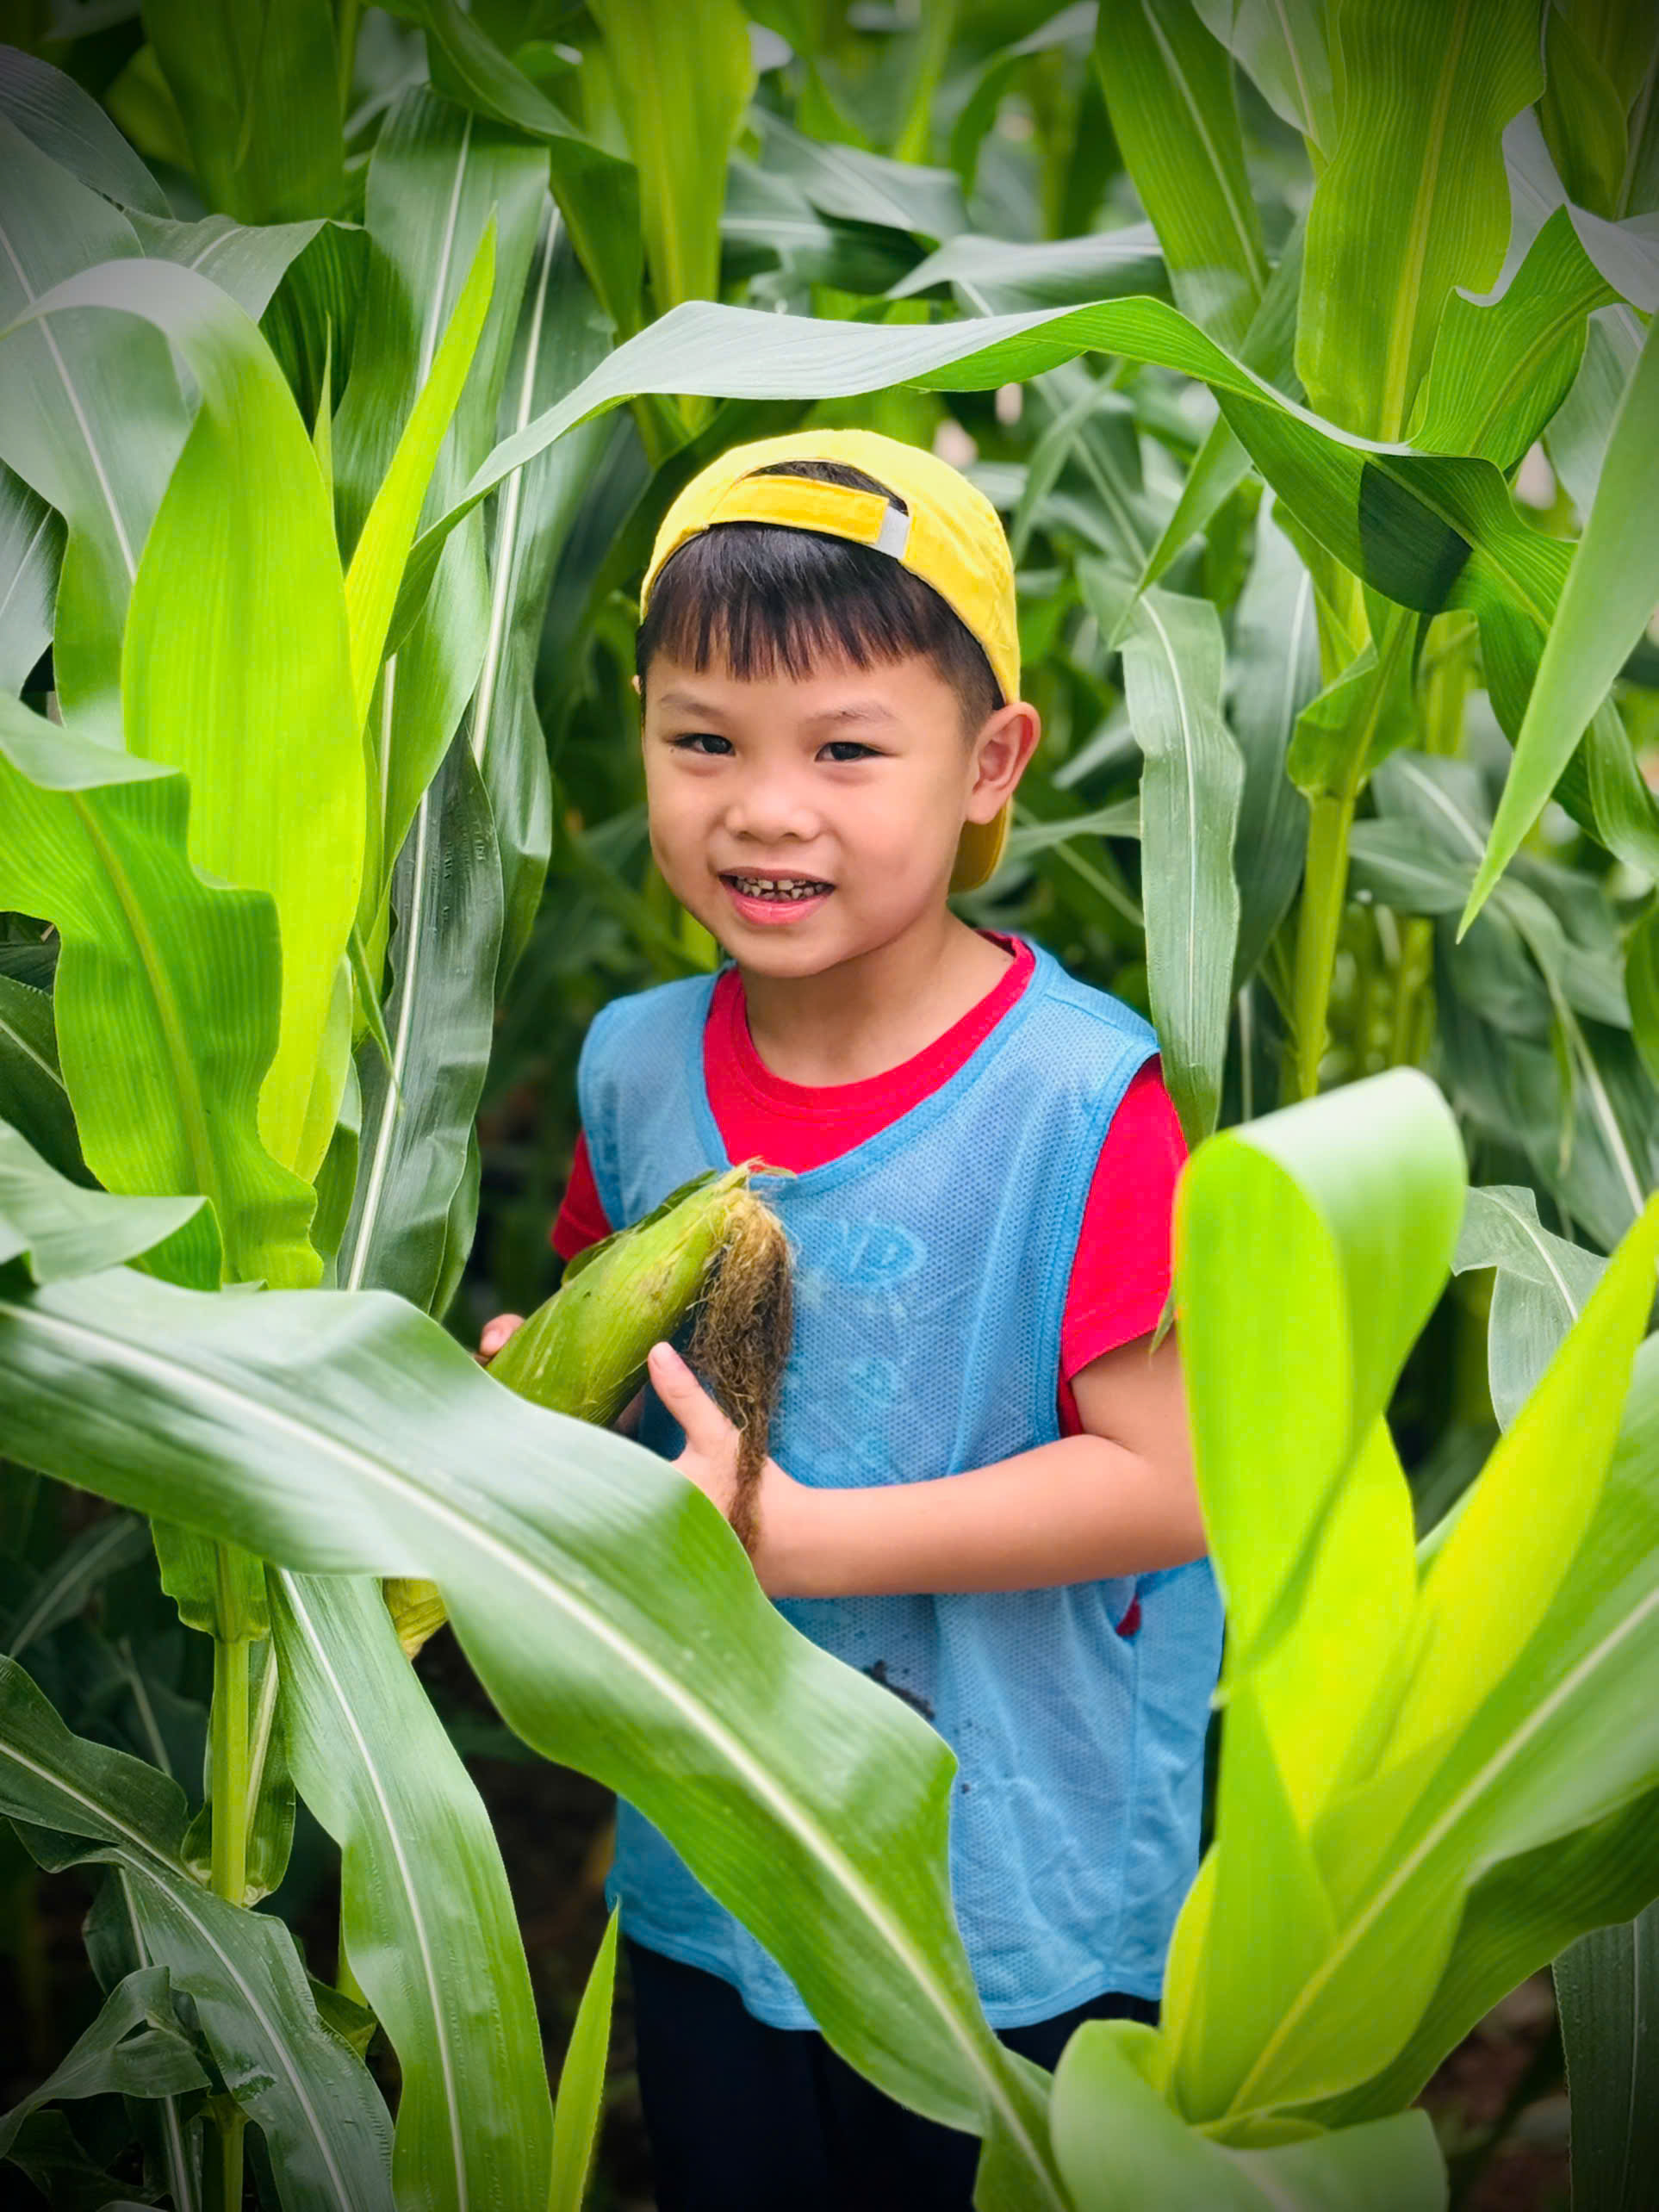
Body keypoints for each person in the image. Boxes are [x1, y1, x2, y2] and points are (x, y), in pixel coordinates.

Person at [479, 427, 1223, 2211]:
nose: (765, 807)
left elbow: (1175, 1482)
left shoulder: (1079, 1105)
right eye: (704, 742)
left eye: (845, 750)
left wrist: (799, 1541)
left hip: (1005, 1901)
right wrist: (538, 1408)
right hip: (718, 1854)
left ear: (990, 762)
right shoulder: (637, 1066)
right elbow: (626, 1369)